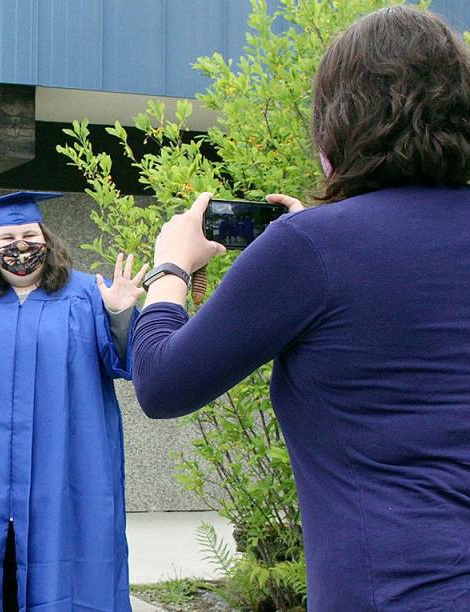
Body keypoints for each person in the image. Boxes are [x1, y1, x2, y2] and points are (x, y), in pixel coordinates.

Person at [130, 6, 470, 610]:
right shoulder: (318, 246)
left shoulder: (311, 248)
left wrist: (171, 268)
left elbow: (162, 383)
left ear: (339, 120)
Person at [0, 191, 146, 611]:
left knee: (66, 553)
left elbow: (122, 362)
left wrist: (120, 314)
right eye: (6, 238)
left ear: (47, 239)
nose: (18, 246)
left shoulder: (88, 292)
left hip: (65, 462)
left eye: (28, 235)